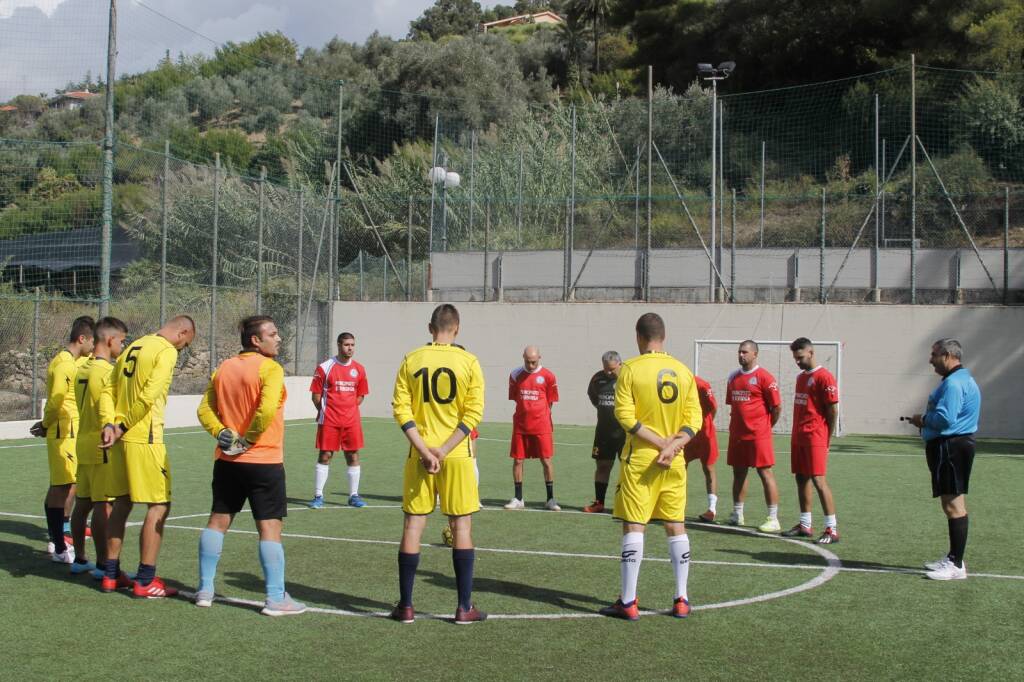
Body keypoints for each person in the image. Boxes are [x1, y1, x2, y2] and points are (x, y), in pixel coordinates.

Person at [195, 315, 306, 615]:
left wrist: (222, 433)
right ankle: (274, 598)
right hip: (263, 460)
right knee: (270, 528)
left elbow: (204, 409)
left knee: (217, 521)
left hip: (228, 460)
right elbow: (266, 407)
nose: (278, 337)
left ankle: (205, 589)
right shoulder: (270, 368)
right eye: (273, 333)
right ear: (256, 340)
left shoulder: (224, 368)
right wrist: (249, 438)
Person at [600, 312, 703, 621]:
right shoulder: (683, 371)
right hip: (675, 462)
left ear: (638, 337)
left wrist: (660, 445)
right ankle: (681, 598)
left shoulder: (629, 369)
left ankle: (629, 602)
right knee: (675, 525)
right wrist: (672, 447)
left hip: (642, 460)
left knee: (634, 525)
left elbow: (626, 418)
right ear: (664, 336)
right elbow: (694, 420)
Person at [390, 304, 486, 624]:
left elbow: (401, 411)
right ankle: (463, 607)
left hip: (419, 454)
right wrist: (443, 450)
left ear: (430, 328)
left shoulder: (411, 359)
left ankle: (405, 606)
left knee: (413, 525)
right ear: (456, 328)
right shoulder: (469, 361)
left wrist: (425, 450)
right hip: (457, 455)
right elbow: (472, 415)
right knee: (461, 526)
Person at [101, 315, 195, 598]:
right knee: (159, 506)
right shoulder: (165, 350)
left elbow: (108, 388)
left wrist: (110, 424)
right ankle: (145, 580)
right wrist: (124, 425)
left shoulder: (133, 346)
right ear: (182, 332)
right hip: (144, 437)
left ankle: (110, 574)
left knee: (121, 502)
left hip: (119, 439)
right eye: (184, 344)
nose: (180, 350)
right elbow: (150, 394)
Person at [908, 338, 981, 581]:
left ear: (948, 355)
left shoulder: (953, 384)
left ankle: (956, 565)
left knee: (953, 505)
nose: (930, 359)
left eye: (934, 354)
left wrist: (922, 420)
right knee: (952, 503)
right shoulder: (960, 380)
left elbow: (946, 419)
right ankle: (953, 558)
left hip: (950, 447)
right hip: (952, 446)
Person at [31, 316, 94, 563]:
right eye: (91, 341)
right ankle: (57, 545)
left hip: (71, 432)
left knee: (66, 485)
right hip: (62, 432)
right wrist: (46, 424)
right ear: (82, 339)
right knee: (61, 488)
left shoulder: (73, 361)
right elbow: (57, 400)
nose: (93, 346)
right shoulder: (64, 364)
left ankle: (58, 541)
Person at [69, 317, 127, 578]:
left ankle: (80, 558)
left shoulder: (82, 368)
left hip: (82, 442)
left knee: (83, 503)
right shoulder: (105, 372)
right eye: (122, 341)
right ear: (110, 340)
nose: (123, 348)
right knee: (104, 505)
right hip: (101, 444)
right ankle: (104, 564)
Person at [782, 338, 840, 544]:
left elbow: (833, 410)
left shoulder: (825, 377)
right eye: (795, 358)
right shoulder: (800, 378)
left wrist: (827, 437)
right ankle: (805, 524)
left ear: (811, 352)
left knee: (818, 480)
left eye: (800, 357)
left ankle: (832, 529)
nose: (797, 361)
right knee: (801, 478)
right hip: (799, 436)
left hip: (816, 436)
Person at [726, 340, 783, 533]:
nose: (741, 355)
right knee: (738, 473)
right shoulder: (733, 377)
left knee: (765, 473)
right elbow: (733, 406)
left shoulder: (765, 377)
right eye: (739, 352)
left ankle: (773, 518)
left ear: (755, 354)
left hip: (759, 435)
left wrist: (765, 427)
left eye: (745, 352)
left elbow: (776, 408)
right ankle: (737, 514)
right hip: (737, 435)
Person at [309, 332, 370, 509]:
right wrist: (325, 412)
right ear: (338, 345)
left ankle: (353, 496)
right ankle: (318, 496)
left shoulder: (359, 369)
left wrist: (348, 409)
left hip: (351, 421)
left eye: (352, 345)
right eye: (346, 345)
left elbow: (360, 396)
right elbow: (316, 396)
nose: (350, 348)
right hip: (329, 420)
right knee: (325, 455)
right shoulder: (325, 367)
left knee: (353, 455)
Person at [504, 346, 560, 511]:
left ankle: (550, 499)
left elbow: (550, 401)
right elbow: (516, 398)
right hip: (521, 425)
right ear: (523, 357)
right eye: (528, 362)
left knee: (546, 460)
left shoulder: (548, 376)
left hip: (542, 425)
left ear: (539, 358)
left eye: (534, 362)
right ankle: (519, 498)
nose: (530, 365)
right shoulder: (515, 375)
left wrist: (540, 415)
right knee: (518, 460)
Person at [583, 351, 625, 513]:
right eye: (606, 369)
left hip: (625, 433)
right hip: (603, 433)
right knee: (602, 466)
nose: (608, 372)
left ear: (620, 364)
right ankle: (599, 503)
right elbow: (594, 397)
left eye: (612, 369)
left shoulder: (629, 378)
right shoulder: (597, 379)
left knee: (627, 469)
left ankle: (625, 504)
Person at [684, 375, 720, 523]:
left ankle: (711, 509)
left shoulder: (701, 384)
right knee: (679, 468)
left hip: (705, 433)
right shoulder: (675, 382)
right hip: (685, 432)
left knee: (708, 468)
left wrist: (705, 423)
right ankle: (676, 505)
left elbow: (714, 408)